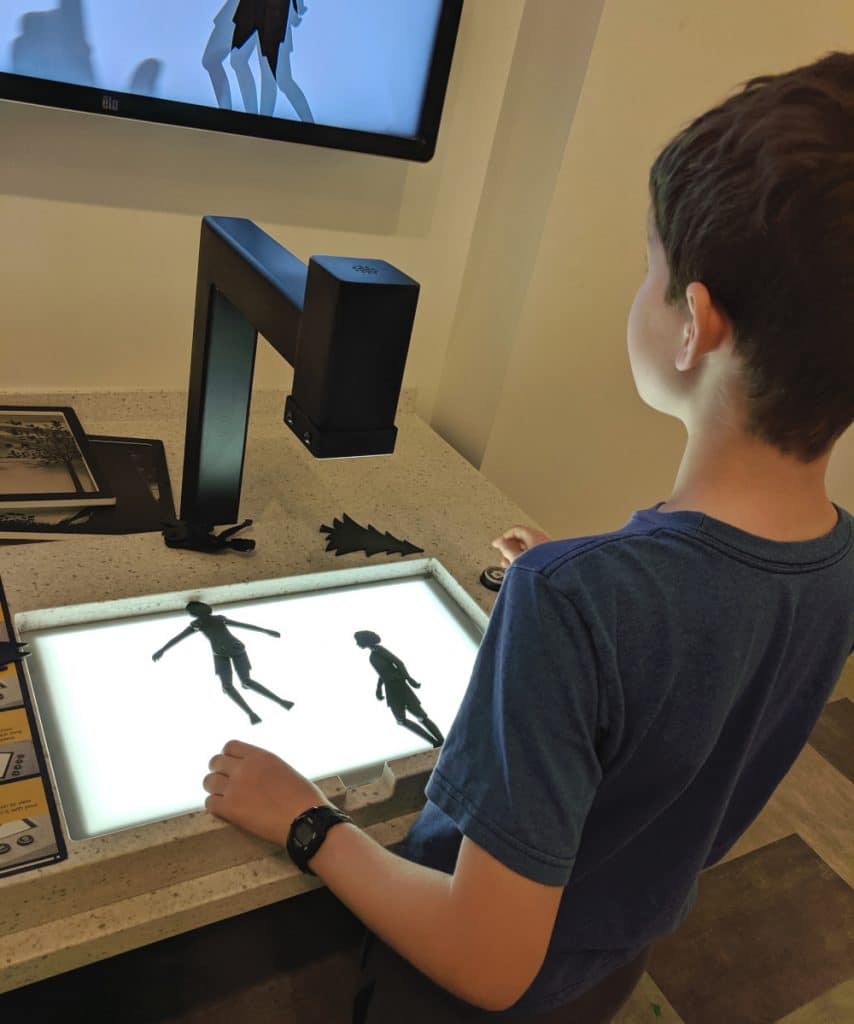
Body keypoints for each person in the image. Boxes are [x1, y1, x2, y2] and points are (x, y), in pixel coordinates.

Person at [202, 51, 854, 1022]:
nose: (640, 289)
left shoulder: (580, 600)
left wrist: (304, 819)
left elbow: (484, 956)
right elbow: (687, 700)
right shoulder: (830, 559)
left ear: (695, 325)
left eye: (650, 267)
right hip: (605, 971)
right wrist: (588, 603)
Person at [152, 601, 293, 724]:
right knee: (228, 686)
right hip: (220, 654)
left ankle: (281, 702)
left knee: (246, 682)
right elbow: (178, 638)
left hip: (236, 649)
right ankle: (251, 713)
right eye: (197, 609)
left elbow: (244, 625)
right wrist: (162, 649)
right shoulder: (197, 624)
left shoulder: (219, 619)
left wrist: (266, 631)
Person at [354, 630, 445, 748]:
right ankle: (435, 742)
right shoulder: (373, 655)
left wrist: (408, 678)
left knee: (420, 715)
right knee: (401, 719)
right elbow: (383, 673)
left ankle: (441, 741)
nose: (357, 644)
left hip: (399, 685)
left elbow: (398, 662)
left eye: (358, 641)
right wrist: (378, 688)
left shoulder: (379, 650)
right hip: (390, 688)